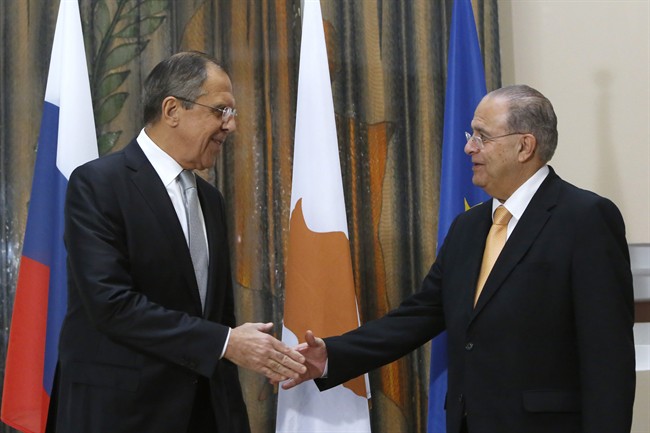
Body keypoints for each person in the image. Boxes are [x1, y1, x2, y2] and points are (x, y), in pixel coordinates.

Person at [282, 85, 636, 433]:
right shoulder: (469, 226)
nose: (468, 147)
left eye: (482, 136)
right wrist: (331, 355)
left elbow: (607, 357)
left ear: (524, 146)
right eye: (471, 134)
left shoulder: (585, 218)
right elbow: (419, 315)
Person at [55, 51, 305, 433]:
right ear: (173, 110)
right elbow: (111, 305)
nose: (231, 126)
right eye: (221, 110)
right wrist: (224, 343)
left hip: (204, 413)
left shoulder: (210, 200)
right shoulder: (98, 185)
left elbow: (219, 318)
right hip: (122, 414)